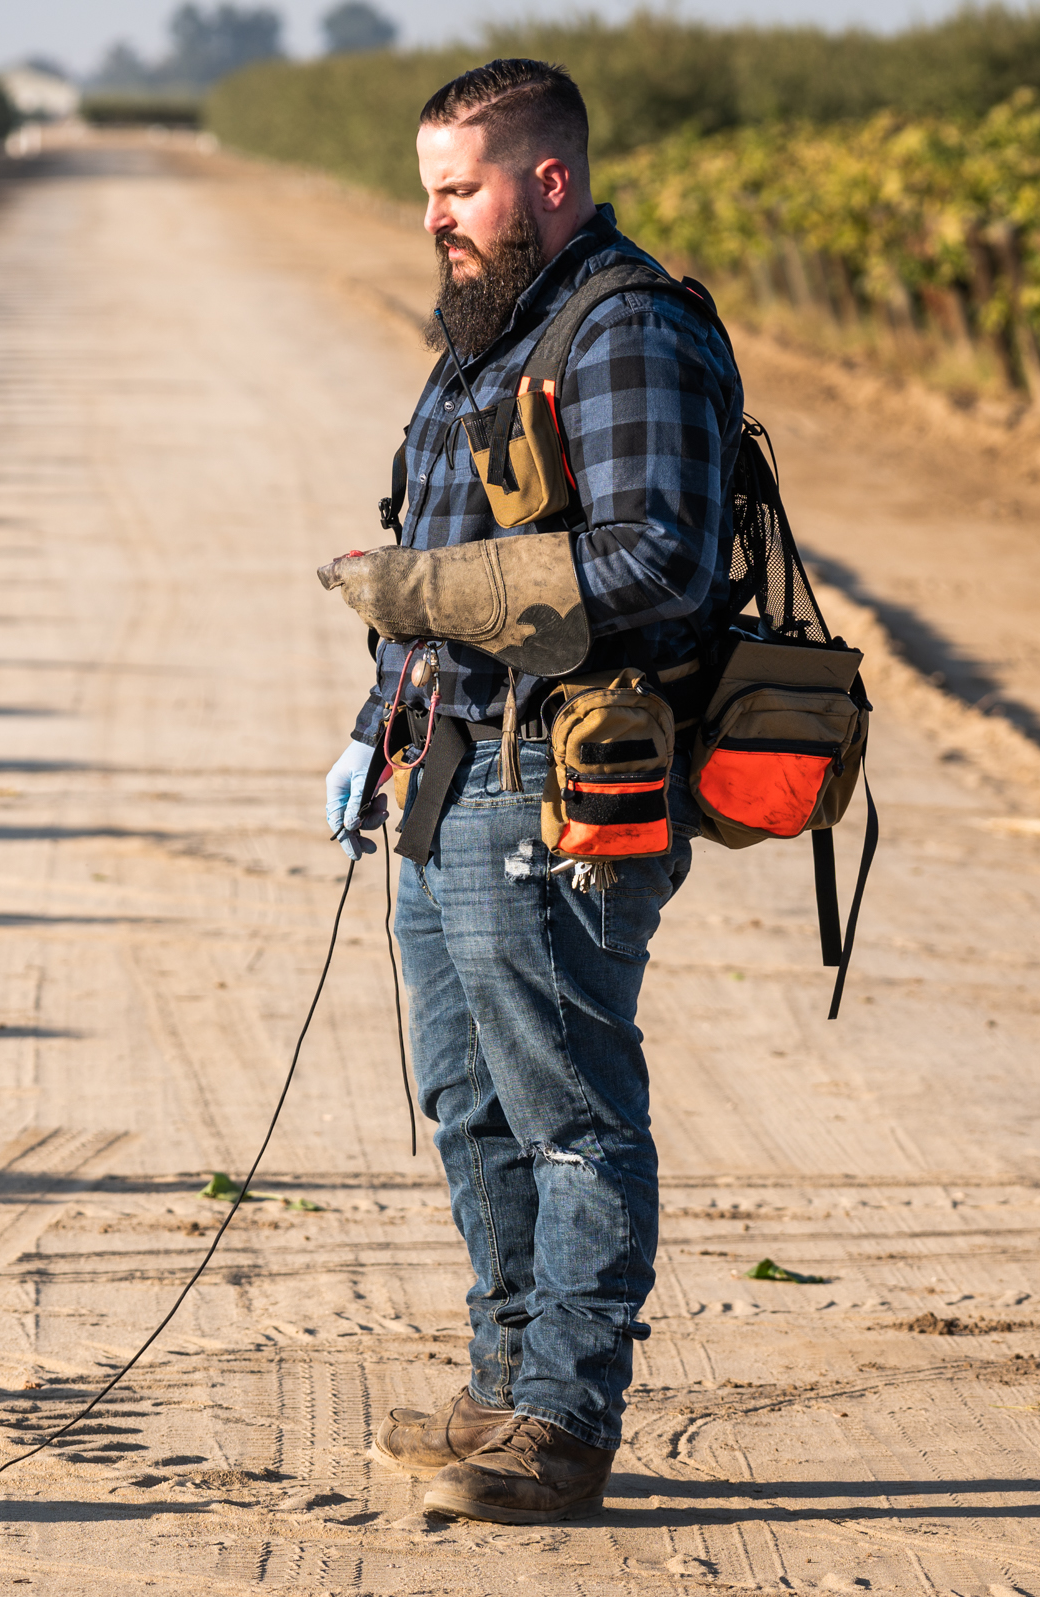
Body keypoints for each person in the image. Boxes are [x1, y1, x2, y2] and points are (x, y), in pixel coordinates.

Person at [320, 58, 743, 1525]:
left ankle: (563, 1422)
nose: (432, 215)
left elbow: (660, 563)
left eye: (460, 188)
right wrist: (376, 730)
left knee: (569, 1113)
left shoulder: (625, 330)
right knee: (469, 1103)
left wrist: (432, 589)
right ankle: (500, 1388)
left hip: (560, 787)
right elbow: (423, 578)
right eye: (427, 187)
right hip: (447, 777)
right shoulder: (484, 338)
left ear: (546, 182)